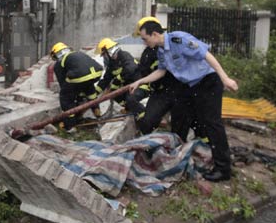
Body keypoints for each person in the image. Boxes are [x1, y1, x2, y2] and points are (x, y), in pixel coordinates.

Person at [129, 18, 238, 182]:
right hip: (191, 86)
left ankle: (223, 169)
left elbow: (206, 55)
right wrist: (140, 81)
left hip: (208, 82)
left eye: (145, 38)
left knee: (212, 123)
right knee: (181, 115)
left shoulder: (178, 39)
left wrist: (225, 78)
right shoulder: (161, 51)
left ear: (155, 34)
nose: (144, 42)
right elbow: (161, 71)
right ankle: (179, 155)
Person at [51, 42, 104, 131]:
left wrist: (70, 94)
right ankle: (97, 111)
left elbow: (63, 82)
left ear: (56, 54)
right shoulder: (78, 54)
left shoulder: (59, 63)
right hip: (97, 73)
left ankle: (70, 125)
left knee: (65, 97)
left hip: (80, 75)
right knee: (89, 88)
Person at [94, 37, 146, 119]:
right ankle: (129, 109)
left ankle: (144, 116)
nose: (103, 57)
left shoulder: (124, 55)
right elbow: (105, 80)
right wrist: (95, 93)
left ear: (109, 51)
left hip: (139, 85)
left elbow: (130, 68)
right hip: (128, 87)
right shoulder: (112, 64)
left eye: (104, 54)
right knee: (114, 94)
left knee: (130, 98)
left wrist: (117, 79)